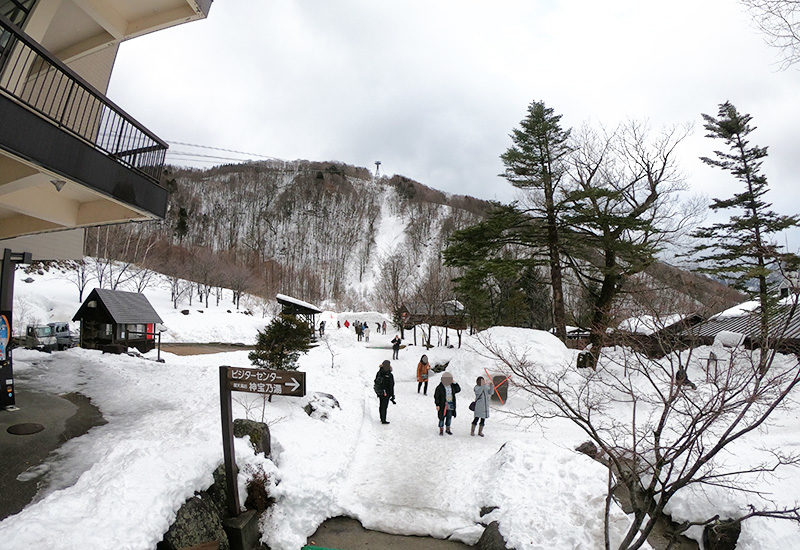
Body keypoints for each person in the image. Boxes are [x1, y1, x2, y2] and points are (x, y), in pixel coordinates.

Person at [373, 360, 395, 424]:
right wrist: (392, 395)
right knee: (384, 406)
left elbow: (375, 381)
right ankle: (383, 419)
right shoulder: (389, 374)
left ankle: (382, 418)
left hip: (380, 392)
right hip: (386, 393)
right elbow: (391, 385)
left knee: (382, 405)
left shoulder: (379, 372)